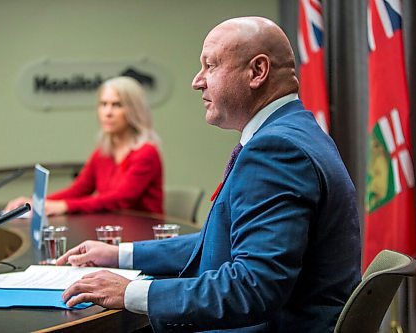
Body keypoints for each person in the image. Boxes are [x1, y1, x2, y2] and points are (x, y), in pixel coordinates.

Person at [57, 17, 361, 332]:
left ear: (257, 71)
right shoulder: (295, 130)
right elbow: (218, 243)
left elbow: (253, 287)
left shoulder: (276, 149)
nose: (197, 81)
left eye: (210, 66)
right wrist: (120, 254)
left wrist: (130, 292)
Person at [5, 76, 163, 216]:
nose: (108, 112)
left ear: (134, 110)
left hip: (146, 236)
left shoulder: (146, 152)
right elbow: (78, 190)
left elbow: (121, 198)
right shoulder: (102, 153)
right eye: (103, 104)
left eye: (117, 105)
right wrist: (36, 202)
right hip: (113, 230)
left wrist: (64, 206)